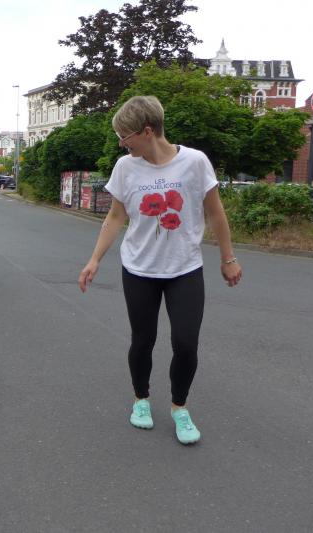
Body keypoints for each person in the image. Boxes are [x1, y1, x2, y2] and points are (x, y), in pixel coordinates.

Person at [77, 95, 242, 445]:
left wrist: (228, 258)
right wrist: (94, 259)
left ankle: (180, 407)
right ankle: (141, 399)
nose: (122, 143)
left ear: (147, 131)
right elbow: (116, 216)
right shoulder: (126, 167)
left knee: (186, 343)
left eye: (125, 136)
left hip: (185, 267)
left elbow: (215, 213)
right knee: (143, 340)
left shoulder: (194, 162)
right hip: (139, 268)